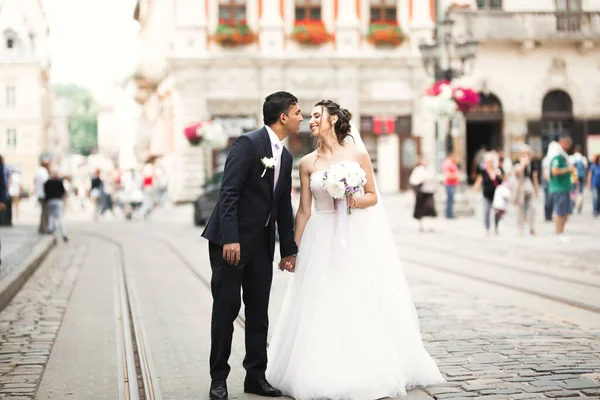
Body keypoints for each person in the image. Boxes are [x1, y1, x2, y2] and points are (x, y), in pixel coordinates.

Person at [266, 101, 444, 400]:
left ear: (333, 119)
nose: (311, 121)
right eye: (309, 116)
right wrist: (291, 250)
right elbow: (304, 211)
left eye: (317, 116)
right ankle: (318, 368)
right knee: (319, 301)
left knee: (356, 297)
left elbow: (373, 196)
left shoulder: (358, 154)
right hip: (320, 236)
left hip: (354, 237)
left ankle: (364, 366)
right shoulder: (307, 162)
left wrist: (353, 201)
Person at [201, 92, 302, 400]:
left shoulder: (284, 156)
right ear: (283, 117)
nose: (302, 117)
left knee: (258, 313)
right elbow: (228, 193)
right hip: (229, 242)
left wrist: (288, 249)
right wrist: (230, 237)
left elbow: (283, 205)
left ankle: (255, 377)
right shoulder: (247, 144)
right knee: (226, 310)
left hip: (261, 245)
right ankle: (218, 379)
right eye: (298, 112)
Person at [549, 135, 574, 244]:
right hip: (558, 187)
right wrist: (568, 169)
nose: (568, 147)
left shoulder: (563, 156)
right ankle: (558, 234)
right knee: (559, 212)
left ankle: (561, 233)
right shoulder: (557, 156)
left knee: (565, 212)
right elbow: (554, 171)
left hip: (565, 187)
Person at [511, 144, 540, 236]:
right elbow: (517, 175)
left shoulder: (533, 163)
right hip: (520, 187)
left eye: (528, 154)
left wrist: (536, 188)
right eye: (524, 154)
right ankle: (520, 229)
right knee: (520, 209)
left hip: (529, 186)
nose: (526, 156)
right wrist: (523, 165)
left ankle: (531, 227)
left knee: (533, 207)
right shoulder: (517, 163)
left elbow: (534, 176)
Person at [473, 152, 504, 235]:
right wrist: (475, 190)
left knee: (497, 212)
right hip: (486, 194)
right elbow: (479, 180)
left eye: (491, 161)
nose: (490, 163)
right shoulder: (484, 171)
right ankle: (487, 228)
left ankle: (496, 227)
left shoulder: (498, 170)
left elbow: (504, 180)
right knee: (486, 211)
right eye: (488, 161)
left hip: (496, 195)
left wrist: (498, 174)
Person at [409, 157, 437, 232]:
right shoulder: (418, 170)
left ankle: (430, 226)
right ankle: (420, 226)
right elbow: (413, 180)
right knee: (420, 210)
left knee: (430, 210)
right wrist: (420, 181)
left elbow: (434, 179)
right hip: (421, 192)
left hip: (429, 192)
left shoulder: (430, 169)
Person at [43, 168, 68, 243]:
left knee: (51, 216)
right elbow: (63, 192)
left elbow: (45, 192)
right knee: (60, 217)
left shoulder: (47, 182)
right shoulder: (59, 182)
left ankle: (50, 230)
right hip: (58, 201)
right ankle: (63, 233)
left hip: (50, 201)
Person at [569, 144, 588, 214]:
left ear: (574, 150)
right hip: (581, 176)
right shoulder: (583, 158)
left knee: (572, 191)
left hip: (573, 176)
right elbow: (585, 168)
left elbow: (569, 168)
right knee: (581, 191)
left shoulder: (571, 157)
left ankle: (572, 204)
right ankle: (579, 206)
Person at [34, 159, 50, 233]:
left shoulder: (38, 171)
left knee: (43, 212)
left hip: (39, 193)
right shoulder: (43, 171)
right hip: (44, 194)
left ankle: (41, 228)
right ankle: (44, 228)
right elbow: (45, 183)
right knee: (45, 212)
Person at [441, 152, 459, 219]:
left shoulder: (451, 163)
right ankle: (448, 214)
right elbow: (447, 174)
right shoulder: (447, 163)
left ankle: (450, 214)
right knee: (449, 200)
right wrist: (456, 175)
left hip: (452, 183)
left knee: (450, 200)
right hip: (449, 183)